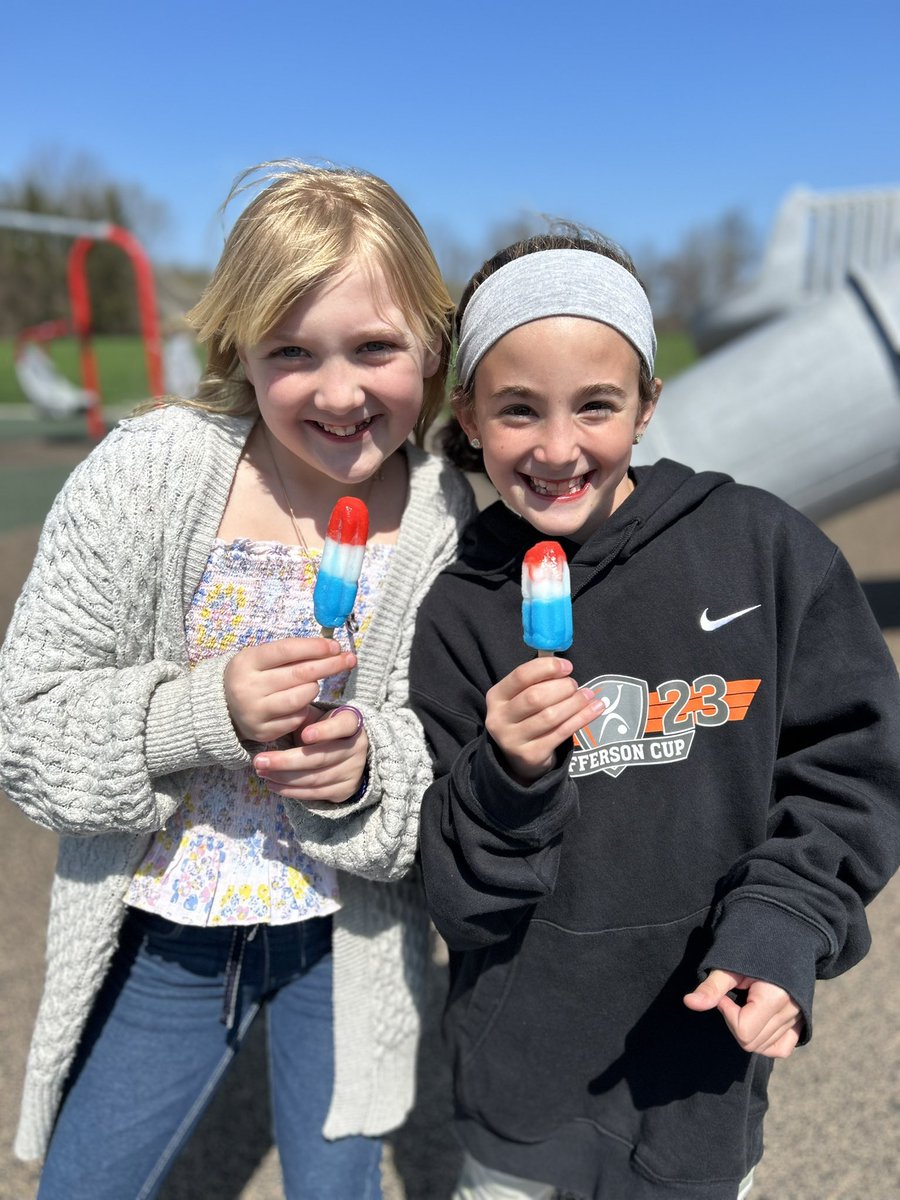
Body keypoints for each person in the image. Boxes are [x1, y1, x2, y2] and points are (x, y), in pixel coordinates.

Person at [0, 159, 475, 1199]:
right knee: (82, 1186)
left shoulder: (454, 525)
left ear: (433, 349)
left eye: (376, 348)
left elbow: (462, 766)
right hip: (165, 935)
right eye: (293, 352)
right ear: (238, 352)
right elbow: (25, 724)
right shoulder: (147, 474)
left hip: (346, 944)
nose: (341, 390)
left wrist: (364, 774)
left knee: (335, 1185)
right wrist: (202, 711)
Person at [409, 229, 900, 1200]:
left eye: (596, 405)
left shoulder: (763, 552)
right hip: (522, 1080)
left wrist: (784, 928)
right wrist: (506, 776)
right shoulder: (461, 608)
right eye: (517, 411)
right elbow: (455, 892)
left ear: (648, 404)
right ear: (466, 413)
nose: (557, 449)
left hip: (703, 1069)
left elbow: (852, 771)